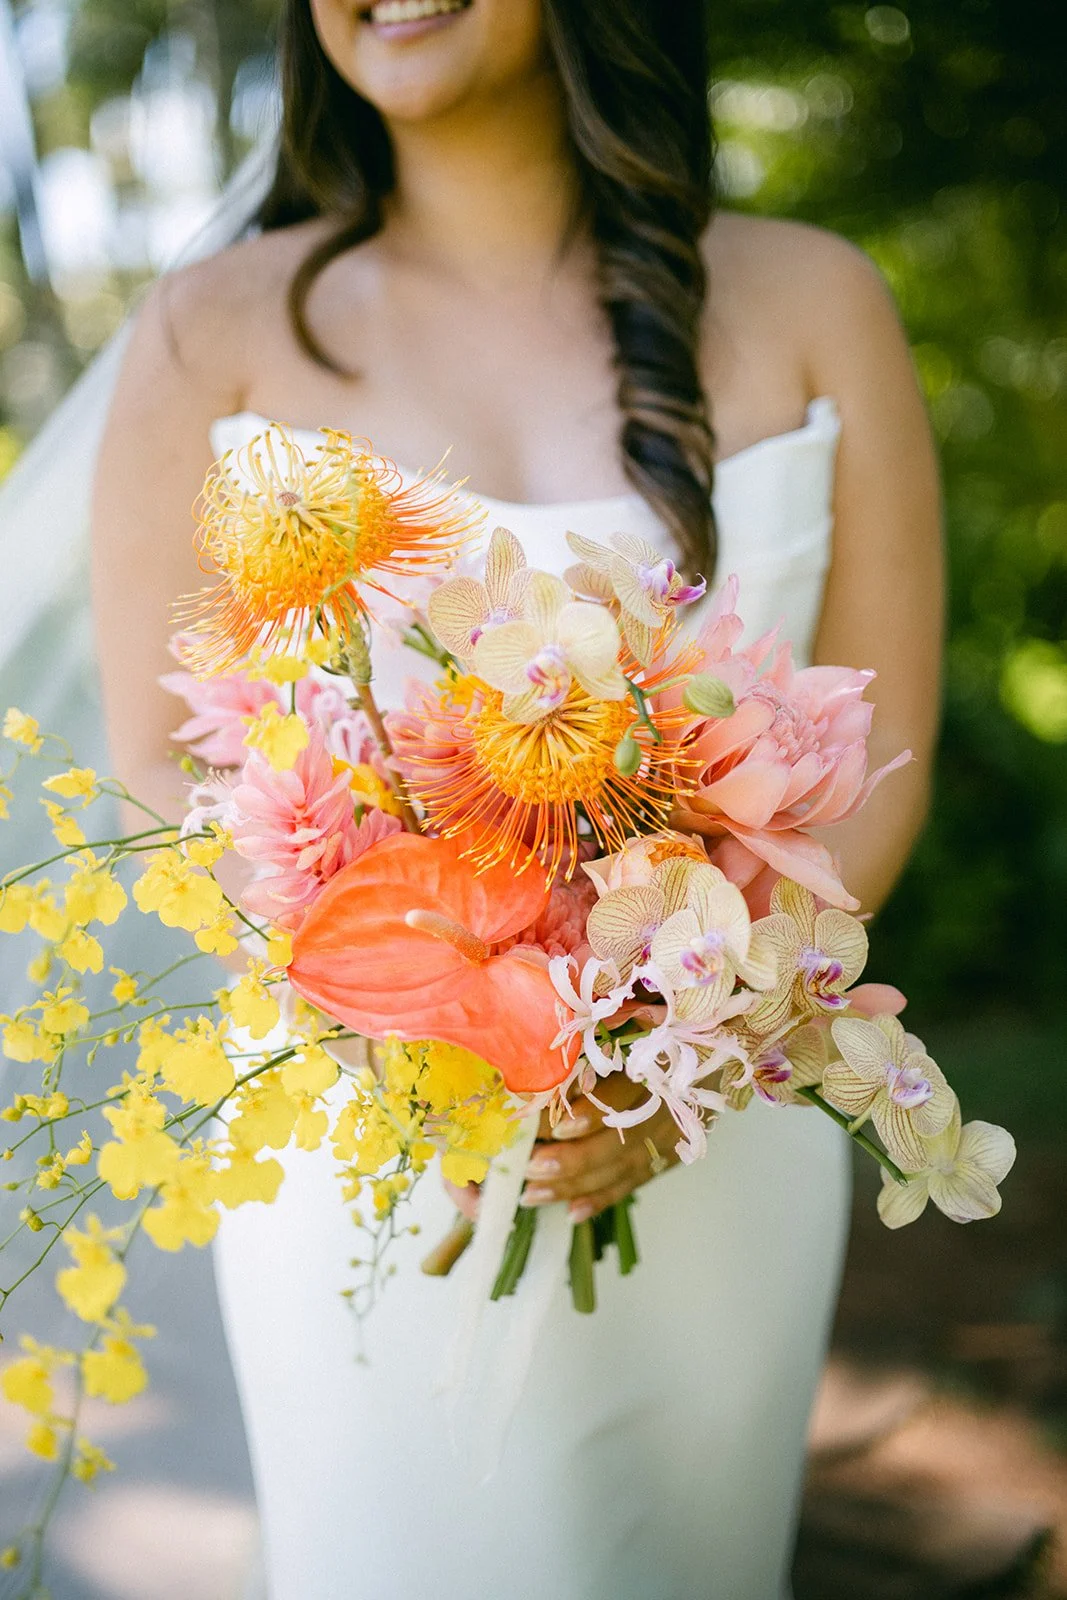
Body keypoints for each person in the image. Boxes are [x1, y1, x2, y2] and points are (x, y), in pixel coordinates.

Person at [90, 1, 942, 1595]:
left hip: (720, 1137)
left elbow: (876, 769)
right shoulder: (215, 328)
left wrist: (673, 1057)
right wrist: (431, 1041)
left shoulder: (817, 299)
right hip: (384, 1157)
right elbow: (159, 755)